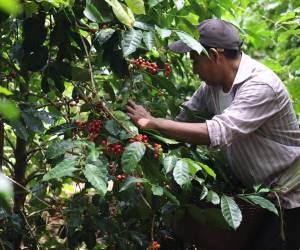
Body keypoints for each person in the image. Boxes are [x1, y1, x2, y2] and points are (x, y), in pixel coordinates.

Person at [126, 19, 300, 250]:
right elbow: (182, 122)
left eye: (196, 61)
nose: (194, 69)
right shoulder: (211, 87)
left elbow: (217, 131)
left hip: (291, 196)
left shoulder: (261, 86)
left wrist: (154, 123)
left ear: (214, 55)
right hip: (260, 195)